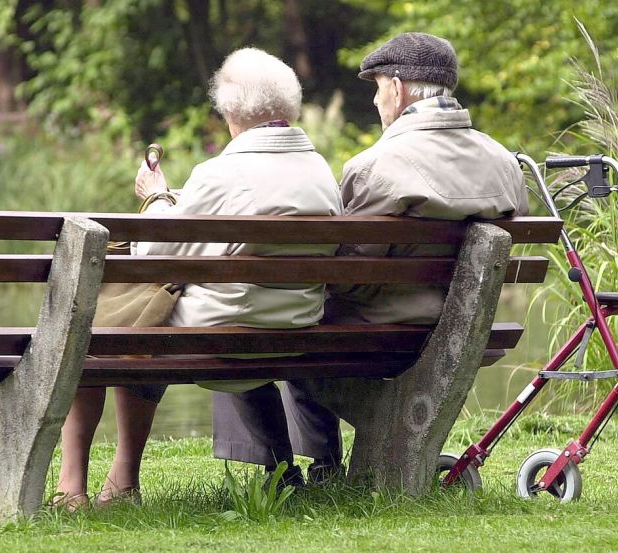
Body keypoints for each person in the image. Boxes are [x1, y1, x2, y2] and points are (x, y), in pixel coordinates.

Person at [213, 32, 530, 483]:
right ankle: (321, 466)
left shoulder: (377, 166)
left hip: (382, 336)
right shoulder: (505, 163)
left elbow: (347, 279)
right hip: (466, 333)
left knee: (266, 313)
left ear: (397, 88)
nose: (378, 100)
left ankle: (289, 469)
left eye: (377, 87)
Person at [52, 48, 344, 509]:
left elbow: (152, 255)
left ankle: (76, 488)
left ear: (231, 110)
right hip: (294, 332)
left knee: (107, 319)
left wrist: (155, 197)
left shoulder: (220, 172)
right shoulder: (321, 171)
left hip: (218, 334)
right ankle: (121, 479)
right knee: (133, 318)